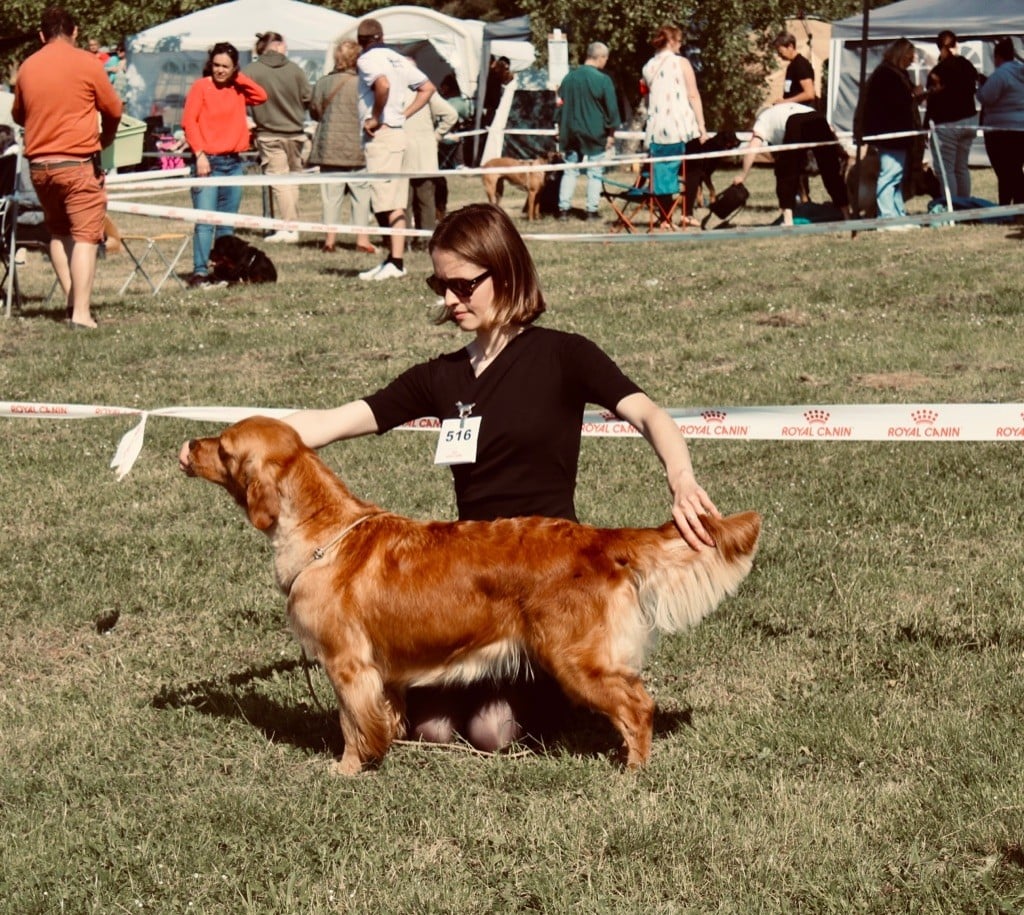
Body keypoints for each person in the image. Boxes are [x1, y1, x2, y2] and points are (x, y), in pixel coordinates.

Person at [260, 202, 720, 753]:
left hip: (547, 583)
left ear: (504, 271)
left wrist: (681, 477)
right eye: (440, 285)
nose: (450, 299)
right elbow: (333, 421)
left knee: (490, 732)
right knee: (431, 730)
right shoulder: (442, 376)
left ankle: (568, 687)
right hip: (470, 584)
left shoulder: (564, 356)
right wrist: (242, 439)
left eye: (463, 285)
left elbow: (648, 413)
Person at [12, 6, 122, 328]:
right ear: (74, 32)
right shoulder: (87, 63)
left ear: (41, 35)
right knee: (86, 236)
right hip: (77, 163)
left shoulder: (27, 67)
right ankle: (82, 314)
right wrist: (105, 139)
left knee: (58, 232)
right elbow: (114, 109)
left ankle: (73, 302)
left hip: (40, 167)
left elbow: (19, 114)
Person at [354, 18, 435, 282]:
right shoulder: (398, 59)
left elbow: (383, 85)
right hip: (398, 134)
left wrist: (376, 116)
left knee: (385, 203)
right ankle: (393, 260)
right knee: (394, 201)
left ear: (361, 41)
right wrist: (403, 114)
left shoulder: (367, 60)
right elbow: (427, 88)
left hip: (383, 136)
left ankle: (396, 261)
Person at [182, 42, 267, 288]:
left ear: (234, 68)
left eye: (226, 67)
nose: (220, 70)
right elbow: (189, 122)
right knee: (205, 222)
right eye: (216, 65)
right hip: (207, 163)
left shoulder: (238, 87)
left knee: (226, 224)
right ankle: (200, 272)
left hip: (233, 163)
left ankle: (223, 270)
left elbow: (261, 96)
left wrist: (238, 77)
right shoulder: (201, 87)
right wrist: (199, 154)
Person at [244, 32, 312, 244]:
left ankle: (289, 227)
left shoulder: (251, 71)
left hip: (269, 133)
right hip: (296, 132)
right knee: (292, 180)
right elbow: (308, 97)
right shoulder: (295, 69)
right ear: (277, 45)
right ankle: (292, 226)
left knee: (279, 180)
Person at [308, 38, 375, 255]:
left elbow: (315, 111)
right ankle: (362, 239)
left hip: (329, 147)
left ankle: (330, 240)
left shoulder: (323, 83)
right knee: (361, 195)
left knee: (331, 197)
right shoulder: (363, 84)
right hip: (357, 146)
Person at [732, 103, 850, 225]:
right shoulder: (786, 108)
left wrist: (743, 175)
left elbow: (753, 147)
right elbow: (830, 130)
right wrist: (839, 149)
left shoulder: (762, 119)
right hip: (818, 118)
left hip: (794, 122)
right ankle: (846, 214)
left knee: (786, 172)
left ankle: (788, 220)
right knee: (831, 170)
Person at [641, 24, 708, 226]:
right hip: (682, 124)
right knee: (694, 166)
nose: (680, 45)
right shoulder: (681, 63)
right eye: (678, 41)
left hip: (658, 127)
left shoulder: (647, 67)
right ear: (670, 41)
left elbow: (647, 99)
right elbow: (693, 94)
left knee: (663, 171)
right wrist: (702, 125)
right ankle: (687, 213)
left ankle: (665, 217)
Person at [859, 38, 927, 227]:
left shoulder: (899, 74)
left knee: (897, 176)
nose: (912, 61)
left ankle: (898, 214)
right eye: (909, 57)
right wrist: (913, 95)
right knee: (889, 175)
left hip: (900, 133)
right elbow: (892, 104)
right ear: (900, 55)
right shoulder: (885, 75)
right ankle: (887, 218)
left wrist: (916, 95)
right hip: (890, 133)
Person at [555, 41, 619, 221]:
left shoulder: (569, 78)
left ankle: (563, 210)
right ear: (600, 57)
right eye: (606, 58)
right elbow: (612, 110)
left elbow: (559, 105)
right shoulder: (603, 80)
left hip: (571, 132)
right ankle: (591, 211)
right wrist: (611, 134)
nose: (606, 62)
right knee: (595, 172)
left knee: (570, 171)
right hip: (594, 132)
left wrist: (559, 129)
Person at [925, 30, 980, 199]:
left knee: (946, 169)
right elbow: (977, 82)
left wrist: (925, 126)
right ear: (956, 45)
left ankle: (953, 206)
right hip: (969, 120)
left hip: (947, 124)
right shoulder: (966, 64)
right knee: (961, 167)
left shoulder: (937, 72)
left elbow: (932, 101)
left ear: (939, 47)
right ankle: (964, 205)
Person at [403, 91, 459, 244]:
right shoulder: (425, 90)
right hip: (424, 154)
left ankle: (406, 241)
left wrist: (436, 135)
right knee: (425, 200)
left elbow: (451, 115)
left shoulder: (396, 89)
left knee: (405, 201)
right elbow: (451, 114)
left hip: (404, 151)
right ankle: (425, 239)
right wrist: (436, 135)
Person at [976, 37, 1024, 208]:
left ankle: (1007, 205)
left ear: (997, 57)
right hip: (1020, 128)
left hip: (1000, 130)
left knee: (1004, 171)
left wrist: (982, 86)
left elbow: (986, 97)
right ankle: (1016, 205)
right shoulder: (1021, 71)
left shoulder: (1001, 74)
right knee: (1015, 168)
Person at [772, 32, 816, 107]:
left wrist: (785, 101)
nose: (779, 55)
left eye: (781, 52)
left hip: (802, 111)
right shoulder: (792, 66)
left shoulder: (801, 64)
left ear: (790, 46)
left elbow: (809, 94)